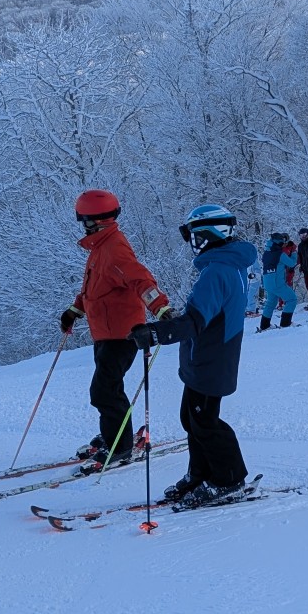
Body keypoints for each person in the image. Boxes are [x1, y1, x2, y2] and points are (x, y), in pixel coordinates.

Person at [131, 203, 255, 506]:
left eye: (192, 235)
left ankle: (228, 479)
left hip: (212, 360)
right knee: (192, 419)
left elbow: (194, 321)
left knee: (205, 422)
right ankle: (200, 473)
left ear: (207, 234)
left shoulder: (218, 271)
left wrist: (156, 333)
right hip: (206, 358)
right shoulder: (229, 265)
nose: (191, 242)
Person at [58, 189, 172, 470]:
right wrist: (75, 310)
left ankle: (119, 447)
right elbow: (93, 288)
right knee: (109, 387)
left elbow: (140, 279)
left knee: (104, 391)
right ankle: (114, 432)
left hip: (122, 334)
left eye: (83, 219)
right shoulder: (100, 247)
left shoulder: (113, 248)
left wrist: (160, 308)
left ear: (94, 220)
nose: (81, 224)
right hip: (105, 333)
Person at [256, 231, 299, 330]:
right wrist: (293, 252)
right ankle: (285, 324)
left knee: (271, 303)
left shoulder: (266, 253)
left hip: (267, 282)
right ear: (279, 243)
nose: (284, 244)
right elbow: (292, 263)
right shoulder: (279, 254)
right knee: (292, 299)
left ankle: (264, 325)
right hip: (277, 282)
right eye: (283, 242)